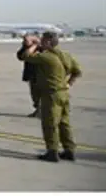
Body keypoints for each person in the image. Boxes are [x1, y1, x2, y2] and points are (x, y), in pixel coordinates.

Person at [18, 31, 82, 162]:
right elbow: (77, 72)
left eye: (43, 40)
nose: (40, 41)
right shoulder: (66, 55)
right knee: (64, 123)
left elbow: (25, 56)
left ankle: (52, 151)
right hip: (63, 93)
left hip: (51, 94)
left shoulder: (46, 57)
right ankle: (69, 150)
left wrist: (33, 45)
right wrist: (69, 83)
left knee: (50, 123)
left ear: (47, 42)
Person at [17, 34, 41, 117]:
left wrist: (35, 46)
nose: (23, 42)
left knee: (40, 94)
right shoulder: (25, 48)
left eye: (26, 40)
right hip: (31, 74)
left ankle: (41, 111)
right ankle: (37, 109)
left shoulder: (40, 48)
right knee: (34, 94)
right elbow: (20, 56)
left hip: (39, 75)